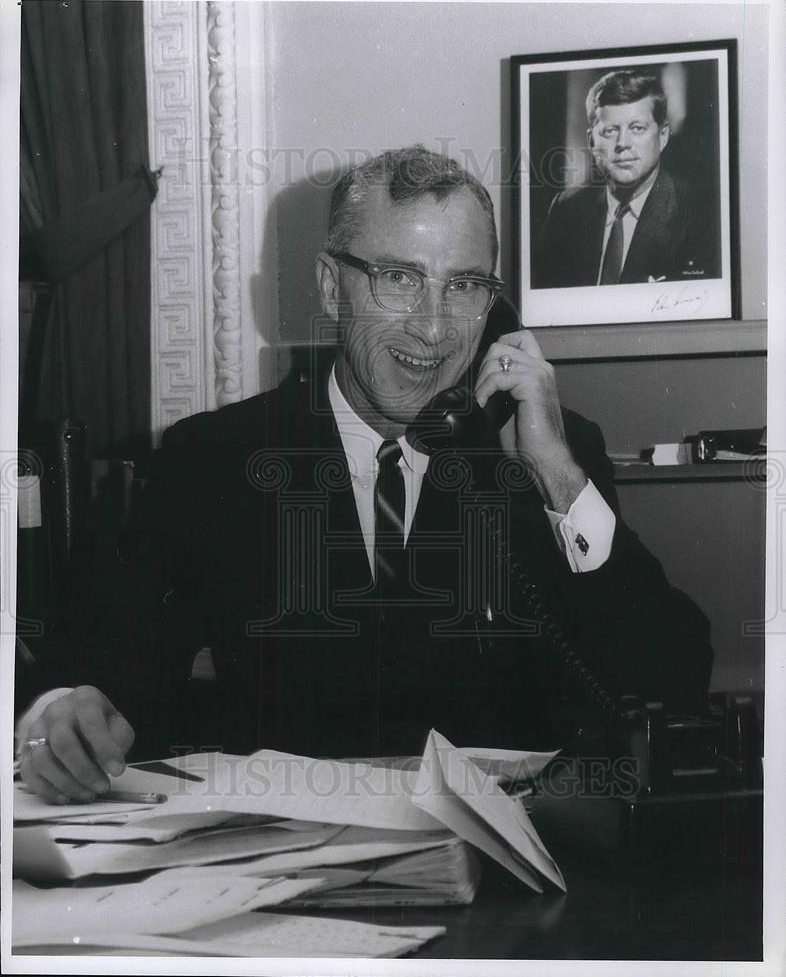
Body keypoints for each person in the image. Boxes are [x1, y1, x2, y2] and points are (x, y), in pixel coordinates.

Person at [17, 145, 712, 805]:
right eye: (399, 280)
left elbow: (676, 676)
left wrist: (558, 477)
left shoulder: (546, 451)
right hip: (290, 877)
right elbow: (110, 656)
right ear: (330, 285)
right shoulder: (216, 456)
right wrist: (62, 712)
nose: (435, 329)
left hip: (509, 885)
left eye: (465, 286)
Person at [533, 69, 720, 289]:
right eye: (610, 131)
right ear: (591, 142)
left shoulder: (702, 213)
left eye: (637, 128)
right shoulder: (566, 209)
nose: (623, 142)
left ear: (663, 136)